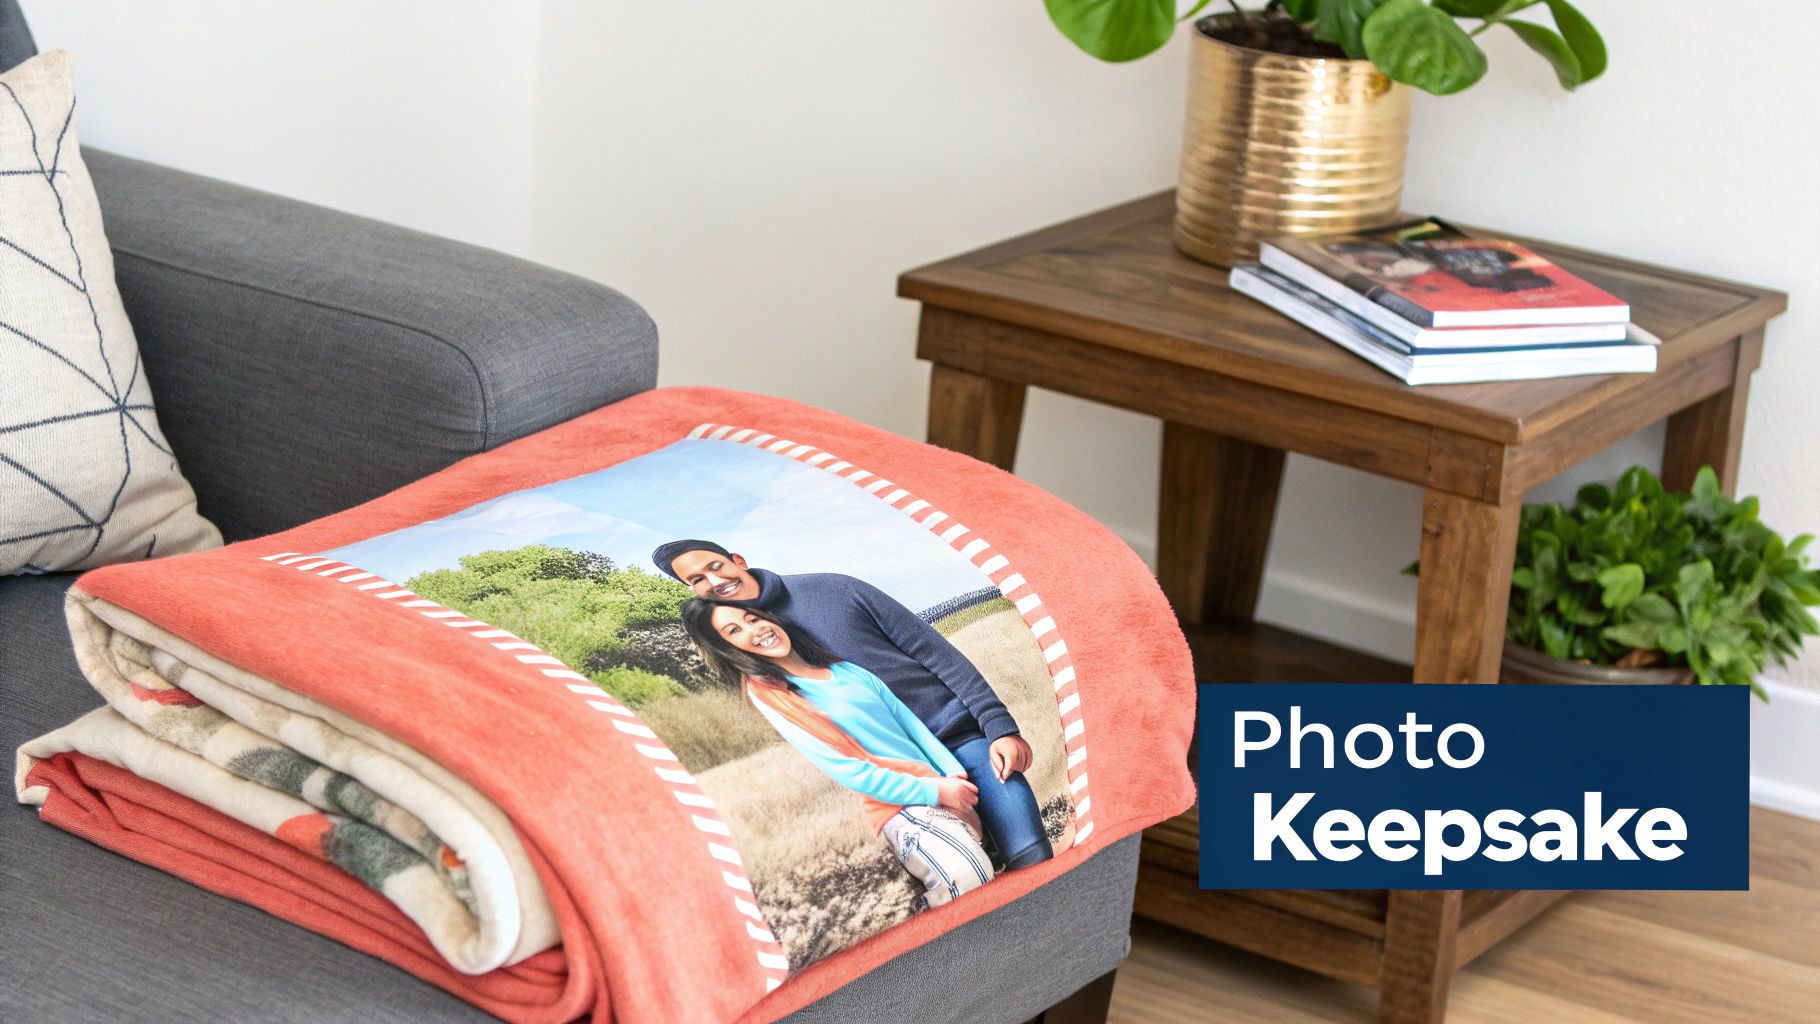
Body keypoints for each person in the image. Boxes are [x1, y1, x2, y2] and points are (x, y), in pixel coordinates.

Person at [652, 539, 1054, 869]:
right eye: (697, 579)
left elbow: (934, 651)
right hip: (903, 779)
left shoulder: (834, 589)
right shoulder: (755, 667)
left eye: (715, 566)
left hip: (959, 737)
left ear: (737, 560)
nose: (713, 580)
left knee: (1030, 855)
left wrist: (1000, 727)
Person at [681, 600, 993, 907]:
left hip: (947, 787)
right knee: (969, 877)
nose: (755, 630)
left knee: (993, 861)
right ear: (730, 649)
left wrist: (950, 774)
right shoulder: (774, 697)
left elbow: (910, 724)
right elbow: (848, 770)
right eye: (734, 631)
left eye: (751, 618)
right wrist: (933, 790)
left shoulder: (846, 670)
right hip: (900, 806)